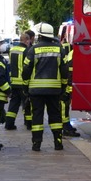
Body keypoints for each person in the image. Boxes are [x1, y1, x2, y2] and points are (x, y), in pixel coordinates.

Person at [22, 23, 68, 152]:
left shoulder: (33, 49)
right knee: (55, 115)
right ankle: (58, 142)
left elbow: (26, 70)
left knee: (37, 116)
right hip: (54, 89)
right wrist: (63, 86)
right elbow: (64, 70)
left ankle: (36, 144)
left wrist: (25, 86)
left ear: (40, 35)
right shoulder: (59, 49)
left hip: (36, 90)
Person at [4, 31, 32, 130]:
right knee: (27, 104)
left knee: (14, 104)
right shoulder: (27, 51)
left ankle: (9, 124)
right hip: (23, 82)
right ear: (27, 40)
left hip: (13, 82)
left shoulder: (12, 50)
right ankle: (29, 124)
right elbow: (28, 67)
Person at [60, 32, 79, 137]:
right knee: (64, 106)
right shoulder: (74, 53)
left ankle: (66, 126)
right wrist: (69, 87)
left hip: (68, 85)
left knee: (65, 107)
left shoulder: (72, 52)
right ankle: (65, 128)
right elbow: (70, 71)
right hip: (69, 85)